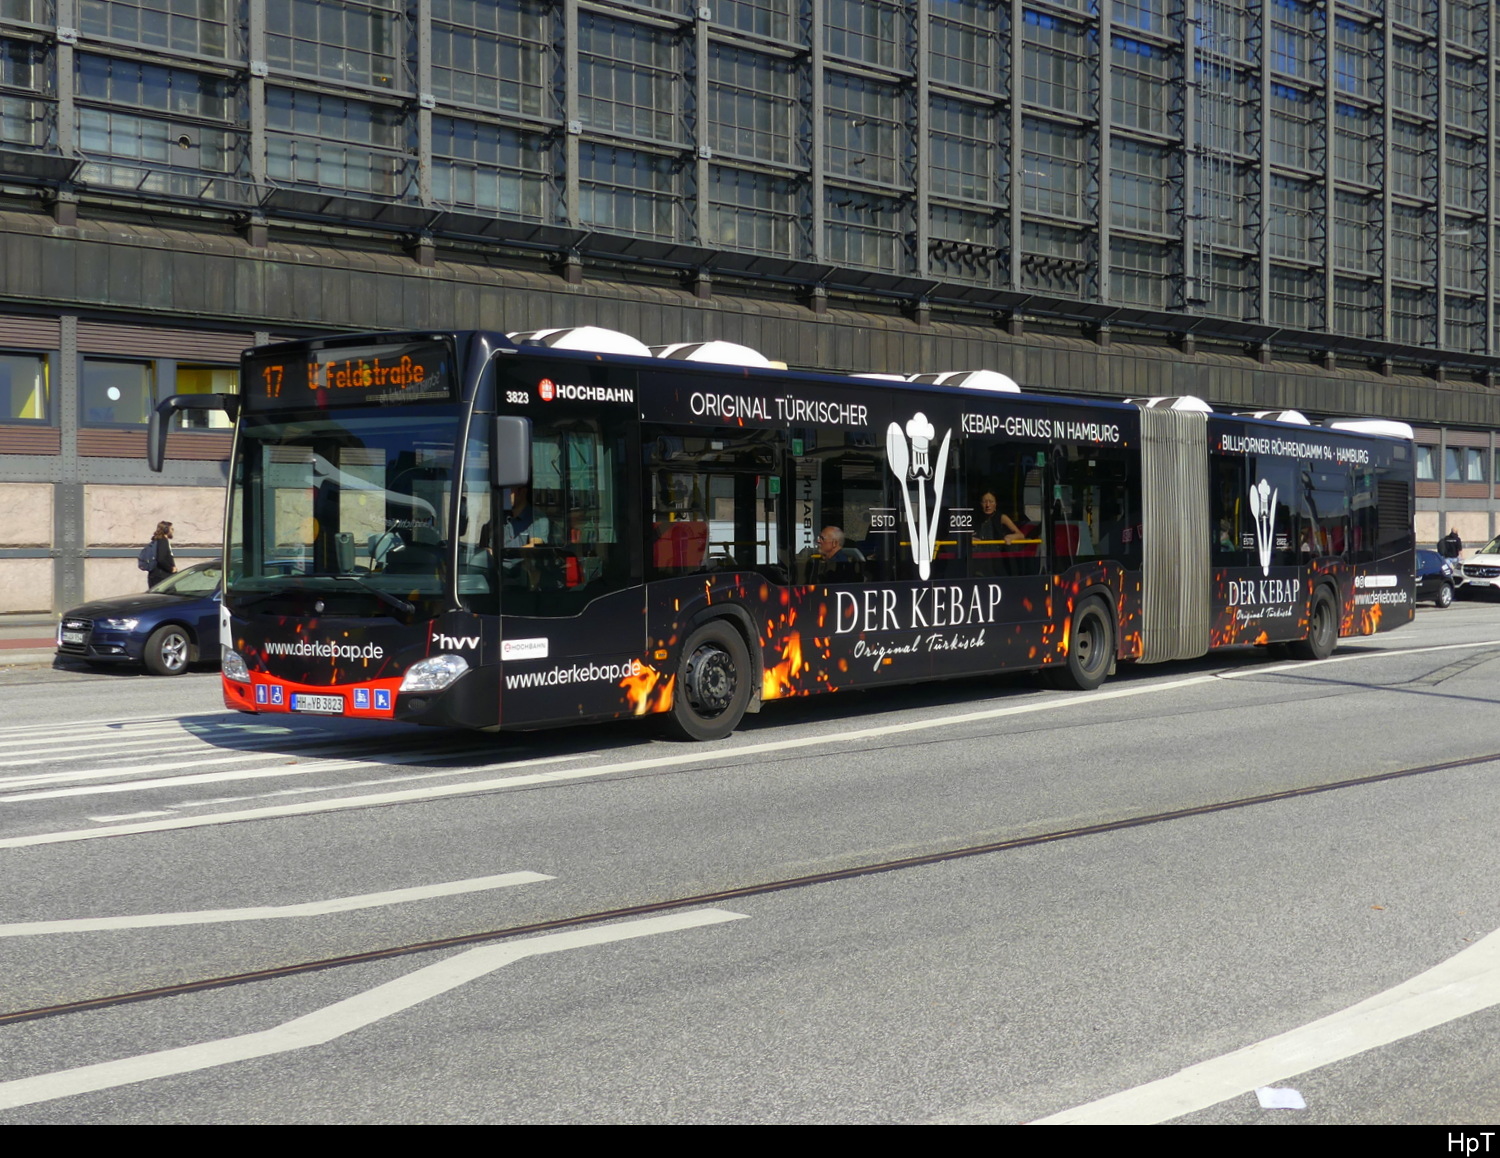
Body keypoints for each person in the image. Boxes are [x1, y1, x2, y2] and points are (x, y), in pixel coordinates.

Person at [147, 520, 175, 589]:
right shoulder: (163, 541)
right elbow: (161, 559)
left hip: (155, 576)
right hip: (162, 577)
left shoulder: (157, 540)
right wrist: (171, 569)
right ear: (166, 530)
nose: (173, 531)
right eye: (171, 529)